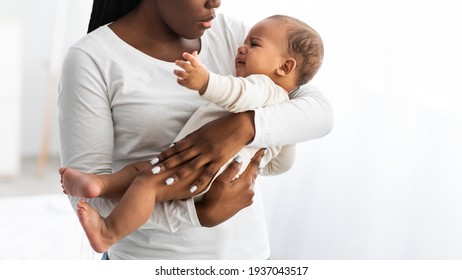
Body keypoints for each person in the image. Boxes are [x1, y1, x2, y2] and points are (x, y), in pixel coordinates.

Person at [58, 0, 333, 260]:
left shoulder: (233, 35)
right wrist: (198, 214)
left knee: (146, 181)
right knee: (140, 177)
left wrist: (243, 127)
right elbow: (90, 205)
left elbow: (318, 113)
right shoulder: (91, 58)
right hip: (151, 260)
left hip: (250, 255)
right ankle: (107, 197)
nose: (216, 2)